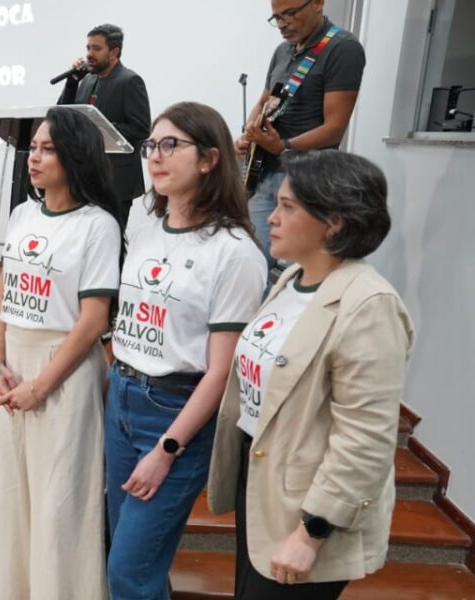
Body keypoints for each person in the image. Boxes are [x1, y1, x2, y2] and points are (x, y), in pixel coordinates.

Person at [207, 150, 413, 599]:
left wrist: (311, 532)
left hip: (309, 507)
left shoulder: (369, 305)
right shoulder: (293, 279)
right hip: (264, 480)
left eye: (288, 207)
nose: (272, 217)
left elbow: (366, 439)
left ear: (334, 222)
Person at [104, 102, 267, 600]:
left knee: (129, 572)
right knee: (131, 556)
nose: (155, 155)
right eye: (151, 145)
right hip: (123, 398)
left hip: (175, 413)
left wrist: (167, 450)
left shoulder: (234, 251)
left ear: (209, 159)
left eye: (171, 144)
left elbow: (221, 372)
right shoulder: (143, 224)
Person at [0, 107, 122, 599]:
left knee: (59, 503)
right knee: (13, 494)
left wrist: (40, 385)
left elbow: (93, 320)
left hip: (62, 371)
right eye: (34, 148)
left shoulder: (97, 225)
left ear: (75, 156)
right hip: (13, 368)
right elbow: (3, 293)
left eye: (48, 149)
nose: (34, 158)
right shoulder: (23, 213)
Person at [235, 0, 366, 268]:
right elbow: (264, 102)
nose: (282, 24)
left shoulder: (342, 48)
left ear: (317, 3)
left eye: (290, 14)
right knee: (250, 262)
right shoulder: (283, 51)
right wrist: (249, 134)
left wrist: (283, 147)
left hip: (308, 180)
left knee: (304, 269)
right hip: (265, 173)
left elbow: (335, 128)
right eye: (277, 18)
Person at [56, 23, 151, 220]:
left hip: (115, 180)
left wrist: (99, 128)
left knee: (111, 243)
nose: (90, 54)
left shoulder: (130, 81)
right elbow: (62, 116)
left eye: (97, 48)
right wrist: (72, 83)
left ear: (114, 52)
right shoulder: (87, 80)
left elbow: (141, 128)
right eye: (88, 48)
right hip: (84, 177)